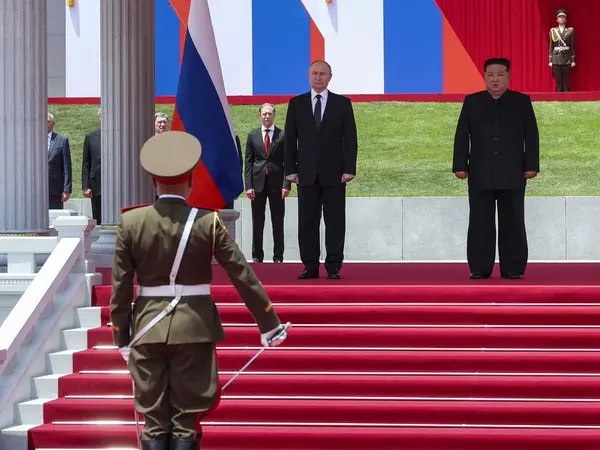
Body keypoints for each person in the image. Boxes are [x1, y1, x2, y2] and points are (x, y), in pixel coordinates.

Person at [110, 131, 287, 450]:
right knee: (186, 420)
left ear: (153, 181)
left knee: (153, 420)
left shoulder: (131, 223)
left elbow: (121, 286)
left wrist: (121, 336)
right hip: (194, 328)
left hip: (147, 329)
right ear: (191, 180)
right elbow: (241, 274)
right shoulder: (208, 222)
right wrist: (269, 323)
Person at [452, 57, 540, 280]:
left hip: (513, 171)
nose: (495, 80)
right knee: (480, 221)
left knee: (513, 220)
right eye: (490, 75)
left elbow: (531, 136)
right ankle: (479, 267)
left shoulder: (521, 102)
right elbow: (462, 135)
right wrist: (460, 165)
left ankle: (513, 267)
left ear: (509, 77)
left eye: (500, 75)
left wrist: (531, 165)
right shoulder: (472, 102)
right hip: (480, 172)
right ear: (484, 77)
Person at [284, 60, 358, 280]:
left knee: (335, 221)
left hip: (335, 174)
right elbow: (290, 139)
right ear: (308, 76)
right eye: (315, 73)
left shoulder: (342, 104)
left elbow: (350, 139)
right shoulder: (296, 104)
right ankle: (310, 265)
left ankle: (333, 266)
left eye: (322, 74)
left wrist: (349, 168)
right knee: (307, 221)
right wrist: (290, 170)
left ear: (330, 77)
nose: (318, 77)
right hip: (305, 174)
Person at [245, 103, 291, 263]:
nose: (267, 116)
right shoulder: (253, 135)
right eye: (264, 114)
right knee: (257, 222)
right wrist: (249, 186)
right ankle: (257, 256)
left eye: (269, 114)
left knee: (278, 221)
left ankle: (278, 256)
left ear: (274, 115)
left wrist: (286, 185)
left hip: (277, 185)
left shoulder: (282, 135)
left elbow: (288, 162)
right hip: (257, 185)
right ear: (260, 115)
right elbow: (248, 163)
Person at [82, 108, 102, 224]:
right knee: (98, 214)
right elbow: (86, 163)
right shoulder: (90, 138)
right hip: (96, 183)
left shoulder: (119, 136)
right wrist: (86, 186)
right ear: (99, 118)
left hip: (116, 183)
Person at [549, 8, 575, 92]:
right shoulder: (553, 31)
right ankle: (558, 97)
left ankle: (567, 97)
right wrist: (550, 60)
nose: (561, 19)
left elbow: (572, 46)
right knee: (558, 82)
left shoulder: (570, 31)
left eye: (563, 17)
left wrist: (573, 60)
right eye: (559, 17)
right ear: (557, 20)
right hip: (556, 58)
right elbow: (551, 46)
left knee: (566, 82)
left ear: (566, 20)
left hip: (566, 58)